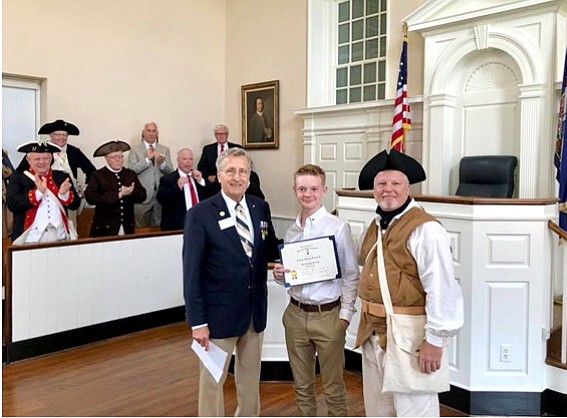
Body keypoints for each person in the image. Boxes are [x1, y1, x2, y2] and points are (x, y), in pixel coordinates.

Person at [354, 149, 464, 417]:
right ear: (374, 190)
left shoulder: (426, 229)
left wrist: (435, 341)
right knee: (379, 410)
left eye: (395, 184)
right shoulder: (374, 225)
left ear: (407, 188)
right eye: (381, 184)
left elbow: (441, 288)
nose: (387, 190)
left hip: (410, 335)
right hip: (374, 333)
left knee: (414, 410)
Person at [183, 147, 279, 416]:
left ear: (249, 176)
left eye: (243, 171)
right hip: (216, 318)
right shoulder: (200, 214)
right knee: (213, 382)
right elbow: (192, 273)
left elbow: (268, 250)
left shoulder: (260, 207)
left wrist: (283, 265)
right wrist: (197, 322)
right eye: (231, 171)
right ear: (219, 175)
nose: (237, 177)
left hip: (253, 313)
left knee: (249, 381)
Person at [272, 164, 359, 416]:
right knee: (301, 385)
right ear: (294, 190)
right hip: (296, 314)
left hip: (328, 316)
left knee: (333, 386)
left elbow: (351, 274)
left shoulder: (337, 227)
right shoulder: (291, 231)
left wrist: (345, 315)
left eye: (312, 188)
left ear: (323, 190)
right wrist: (280, 275)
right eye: (302, 188)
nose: (307, 194)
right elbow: (292, 275)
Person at [6, 142, 80, 244]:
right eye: (37, 159)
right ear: (28, 160)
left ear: (51, 159)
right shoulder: (18, 178)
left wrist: (64, 194)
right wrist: (37, 193)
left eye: (45, 158)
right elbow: (12, 204)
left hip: (59, 236)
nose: (42, 162)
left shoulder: (62, 177)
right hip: (30, 238)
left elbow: (75, 204)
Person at [17, 119, 96, 196]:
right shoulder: (40, 149)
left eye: (64, 135)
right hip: (44, 191)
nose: (61, 137)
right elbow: (20, 170)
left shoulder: (74, 151)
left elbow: (91, 170)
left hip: (69, 192)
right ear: (51, 135)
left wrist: (87, 188)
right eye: (57, 135)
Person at [84, 141, 147, 237]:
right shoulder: (98, 175)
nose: (118, 160)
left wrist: (131, 192)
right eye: (114, 157)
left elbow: (143, 195)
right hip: (105, 228)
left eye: (120, 156)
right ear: (106, 159)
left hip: (127, 226)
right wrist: (118, 195)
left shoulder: (130, 174)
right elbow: (90, 197)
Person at [157, 148, 216, 231]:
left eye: (190, 159)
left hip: (200, 224)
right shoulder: (168, 179)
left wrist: (201, 181)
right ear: (178, 160)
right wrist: (177, 187)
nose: (188, 162)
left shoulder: (198, 177)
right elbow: (161, 199)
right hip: (178, 226)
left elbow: (213, 194)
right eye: (184, 159)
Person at [127, 122, 174, 227]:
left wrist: (162, 164)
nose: (151, 133)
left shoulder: (164, 149)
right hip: (142, 195)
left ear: (157, 133)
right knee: (140, 229)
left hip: (160, 195)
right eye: (148, 131)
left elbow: (171, 171)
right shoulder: (135, 149)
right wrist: (147, 160)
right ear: (143, 133)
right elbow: (131, 171)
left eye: (154, 131)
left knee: (158, 228)